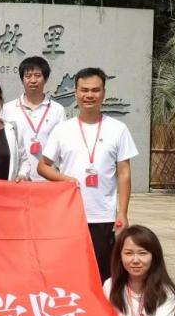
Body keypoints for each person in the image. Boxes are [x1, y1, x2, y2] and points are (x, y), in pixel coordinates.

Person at [38, 67, 137, 283]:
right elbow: (43, 166)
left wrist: (123, 213)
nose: (89, 95)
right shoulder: (62, 129)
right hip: (70, 214)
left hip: (103, 216)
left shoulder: (118, 129)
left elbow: (124, 173)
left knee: (103, 274)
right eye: (84, 90)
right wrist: (65, 179)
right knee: (69, 272)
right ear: (76, 93)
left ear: (104, 93)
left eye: (95, 90)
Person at [1, 56, 67, 181]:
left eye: (38, 75)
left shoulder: (57, 110)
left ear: (45, 79)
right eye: (28, 76)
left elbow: (63, 145)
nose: (33, 80)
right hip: (18, 179)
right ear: (22, 79)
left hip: (49, 179)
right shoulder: (8, 109)